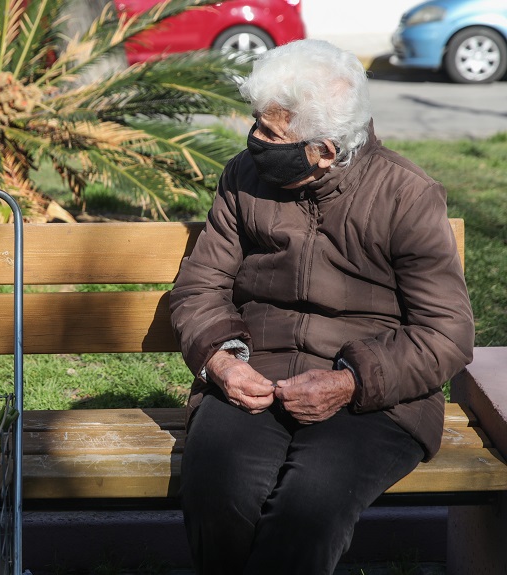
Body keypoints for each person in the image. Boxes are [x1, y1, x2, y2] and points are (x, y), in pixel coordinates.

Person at [169, 39, 475, 575]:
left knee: (308, 511)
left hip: (375, 395)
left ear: (326, 149)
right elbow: (201, 285)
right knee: (218, 494)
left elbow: (446, 333)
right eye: (258, 124)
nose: (256, 141)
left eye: (273, 134)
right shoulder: (243, 176)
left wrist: (351, 381)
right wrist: (222, 359)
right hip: (256, 377)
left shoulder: (406, 196)